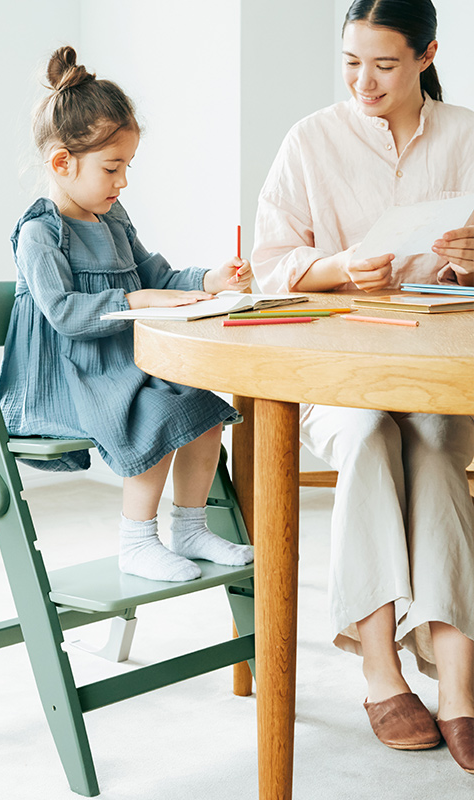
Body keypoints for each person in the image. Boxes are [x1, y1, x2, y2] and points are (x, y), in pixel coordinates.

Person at [252, 0, 474, 774]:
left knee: (442, 442)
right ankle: (381, 673)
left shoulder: (467, 134)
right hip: (337, 377)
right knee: (371, 434)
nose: (363, 80)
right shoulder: (310, 139)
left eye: (383, 64)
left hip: (435, 373)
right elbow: (270, 261)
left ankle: (457, 685)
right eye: (351, 61)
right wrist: (341, 266)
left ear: (426, 55)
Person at [0, 46, 254, 584]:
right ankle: (137, 540)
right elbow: (65, 314)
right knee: (157, 417)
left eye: (127, 167)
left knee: (205, 414)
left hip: (120, 362)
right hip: (68, 375)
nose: (123, 182)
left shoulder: (113, 220)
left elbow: (155, 276)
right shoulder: (41, 232)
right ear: (62, 163)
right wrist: (135, 301)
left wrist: (210, 281)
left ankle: (190, 527)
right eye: (112, 168)